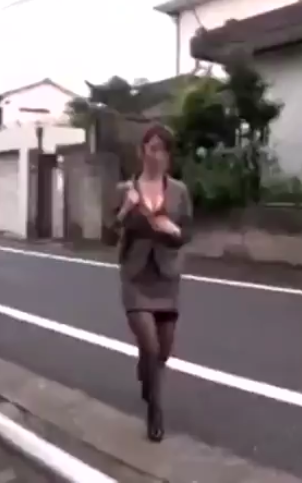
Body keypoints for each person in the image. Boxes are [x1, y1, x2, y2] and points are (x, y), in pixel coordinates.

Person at [109, 125, 192, 443]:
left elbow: (187, 233)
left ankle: (147, 377)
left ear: (169, 155)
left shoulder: (179, 191)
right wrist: (125, 211)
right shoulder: (124, 190)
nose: (157, 155)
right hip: (135, 277)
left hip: (167, 278)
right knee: (150, 344)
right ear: (142, 150)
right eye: (152, 147)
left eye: (163, 149)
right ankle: (155, 412)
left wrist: (173, 230)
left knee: (163, 352)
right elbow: (106, 234)